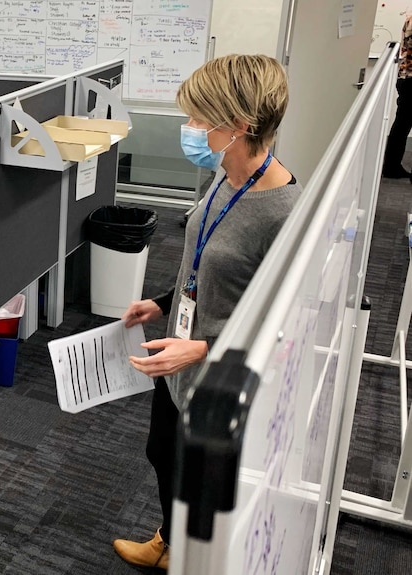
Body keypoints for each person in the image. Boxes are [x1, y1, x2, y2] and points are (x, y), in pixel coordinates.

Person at [111, 54, 301, 570]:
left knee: (204, 486)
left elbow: (283, 324)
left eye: (199, 119)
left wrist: (204, 348)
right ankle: (169, 541)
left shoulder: (283, 213)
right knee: (162, 454)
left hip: (219, 374)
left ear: (239, 126)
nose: (189, 129)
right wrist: (163, 303)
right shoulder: (224, 175)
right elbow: (204, 266)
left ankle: (192, 555)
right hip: (180, 359)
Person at [382, 13, 412, 179]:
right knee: (401, 126)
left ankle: (391, 166)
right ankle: (391, 167)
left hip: (406, 78)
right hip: (410, 80)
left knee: (401, 125)